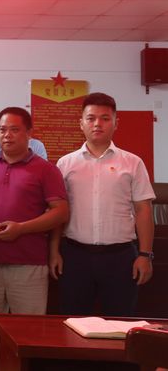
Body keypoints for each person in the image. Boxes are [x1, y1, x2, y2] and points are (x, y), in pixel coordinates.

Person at [0, 107, 68, 370]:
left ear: (29, 133)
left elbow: (60, 212)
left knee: (28, 334)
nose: (7, 135)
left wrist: (21, 228)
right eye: (2, 130)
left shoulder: (46, 169)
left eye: (14, 130)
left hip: (29, 265)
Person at [51, 93, 155, 316]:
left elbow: (143, 210)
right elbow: (59, 212)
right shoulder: (65, 164)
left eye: (105, 118)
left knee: (120, 322)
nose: (97, 124)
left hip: (121, 257)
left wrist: (145, 255)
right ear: (81, 123)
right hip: (75, 256)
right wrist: (54, 251)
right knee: (73, 320)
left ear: (116, 123)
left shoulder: (133, 163)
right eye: (91, 118)